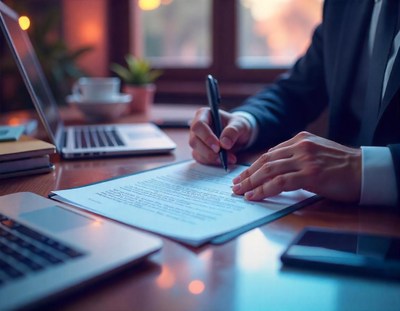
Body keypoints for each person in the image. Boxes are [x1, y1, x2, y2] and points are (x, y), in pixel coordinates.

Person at [189, 0, 400, 206]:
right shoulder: (342, 4)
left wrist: (368, 169)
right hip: (331, 214)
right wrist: (245, 121)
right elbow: (296, 90)